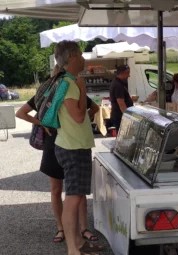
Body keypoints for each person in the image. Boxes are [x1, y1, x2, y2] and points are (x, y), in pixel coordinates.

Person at [16, 67, 100, 245]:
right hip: (52, 143)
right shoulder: (45, 93)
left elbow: (95, 107)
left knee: (78, 190)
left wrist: (83, 118)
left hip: (70, 141)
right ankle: (61, 227)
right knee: (56, 189)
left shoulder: (72, 90)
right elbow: (20, 113)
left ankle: (83, 228)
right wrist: (43, 123)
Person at [53, 40, 104, 255]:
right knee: (73, 198)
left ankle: (77, 242)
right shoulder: (70, 83)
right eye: (81, 55)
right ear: (72, 56)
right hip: (73, 148)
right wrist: (83, 89)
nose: (84, 59)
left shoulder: (65, 81)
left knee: (76, 195)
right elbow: (78, 115)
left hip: (73, 145)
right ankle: (73, 249)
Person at [109, 64, 134, 132]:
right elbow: (121, 103)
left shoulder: (119, 83)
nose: (129, 75)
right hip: (119, 116)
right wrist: (128, 117)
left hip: (119, 115)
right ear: (121, 73)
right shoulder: (118, 85)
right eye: (127, 73)